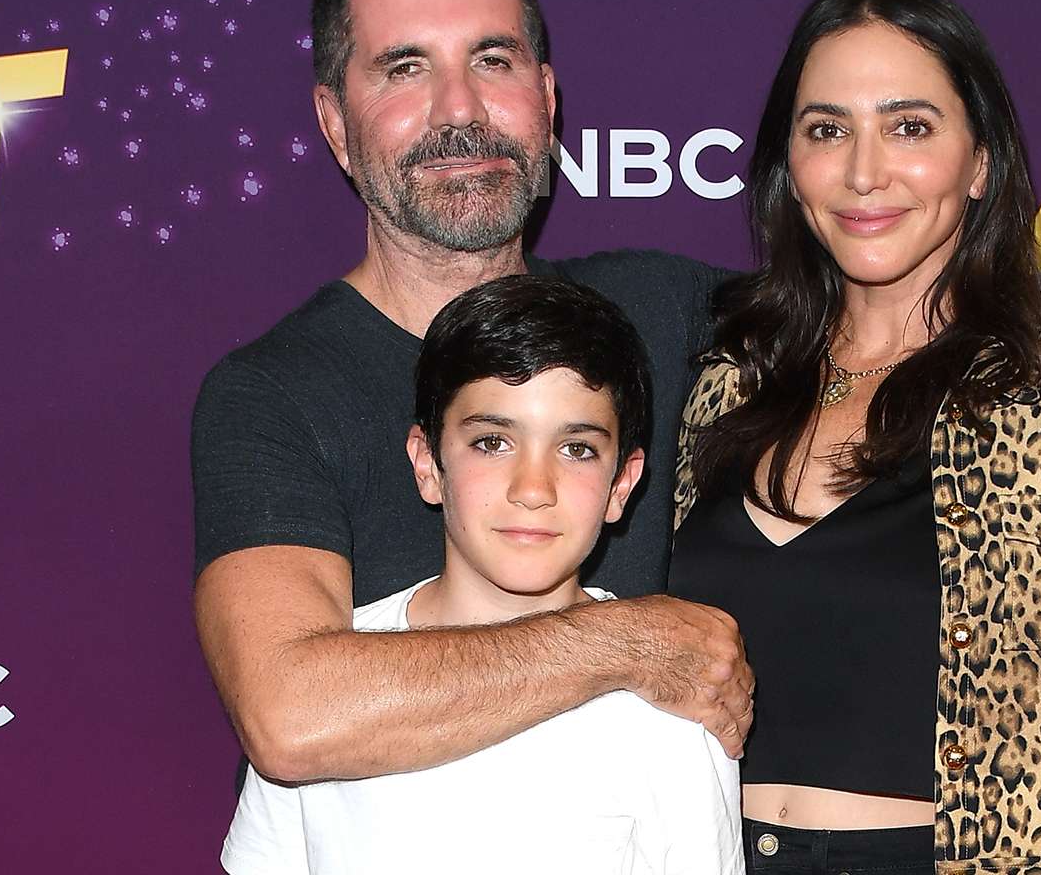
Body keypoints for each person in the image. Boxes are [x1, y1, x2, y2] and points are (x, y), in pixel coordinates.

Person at [192, 0, 1041, 805]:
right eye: (405, 68)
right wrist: (622, 642)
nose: (460, 110)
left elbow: (888, 293)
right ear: (335, 123)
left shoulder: (663, 311)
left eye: (492, 61)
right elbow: (293, 716)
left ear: (547, 98)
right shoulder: (275, 394)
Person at [668, 0, 1041, 875]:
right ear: (788, 166)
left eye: (910, 127)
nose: (863, 171)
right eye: (826, 129)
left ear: (981, 162)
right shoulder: (725, 385)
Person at [221, 275, 742, 875]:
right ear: (428, 464)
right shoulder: (337, 685)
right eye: (492, 442)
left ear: (621, 485)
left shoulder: (671, 702)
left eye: (576, 449)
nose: (533, 489)